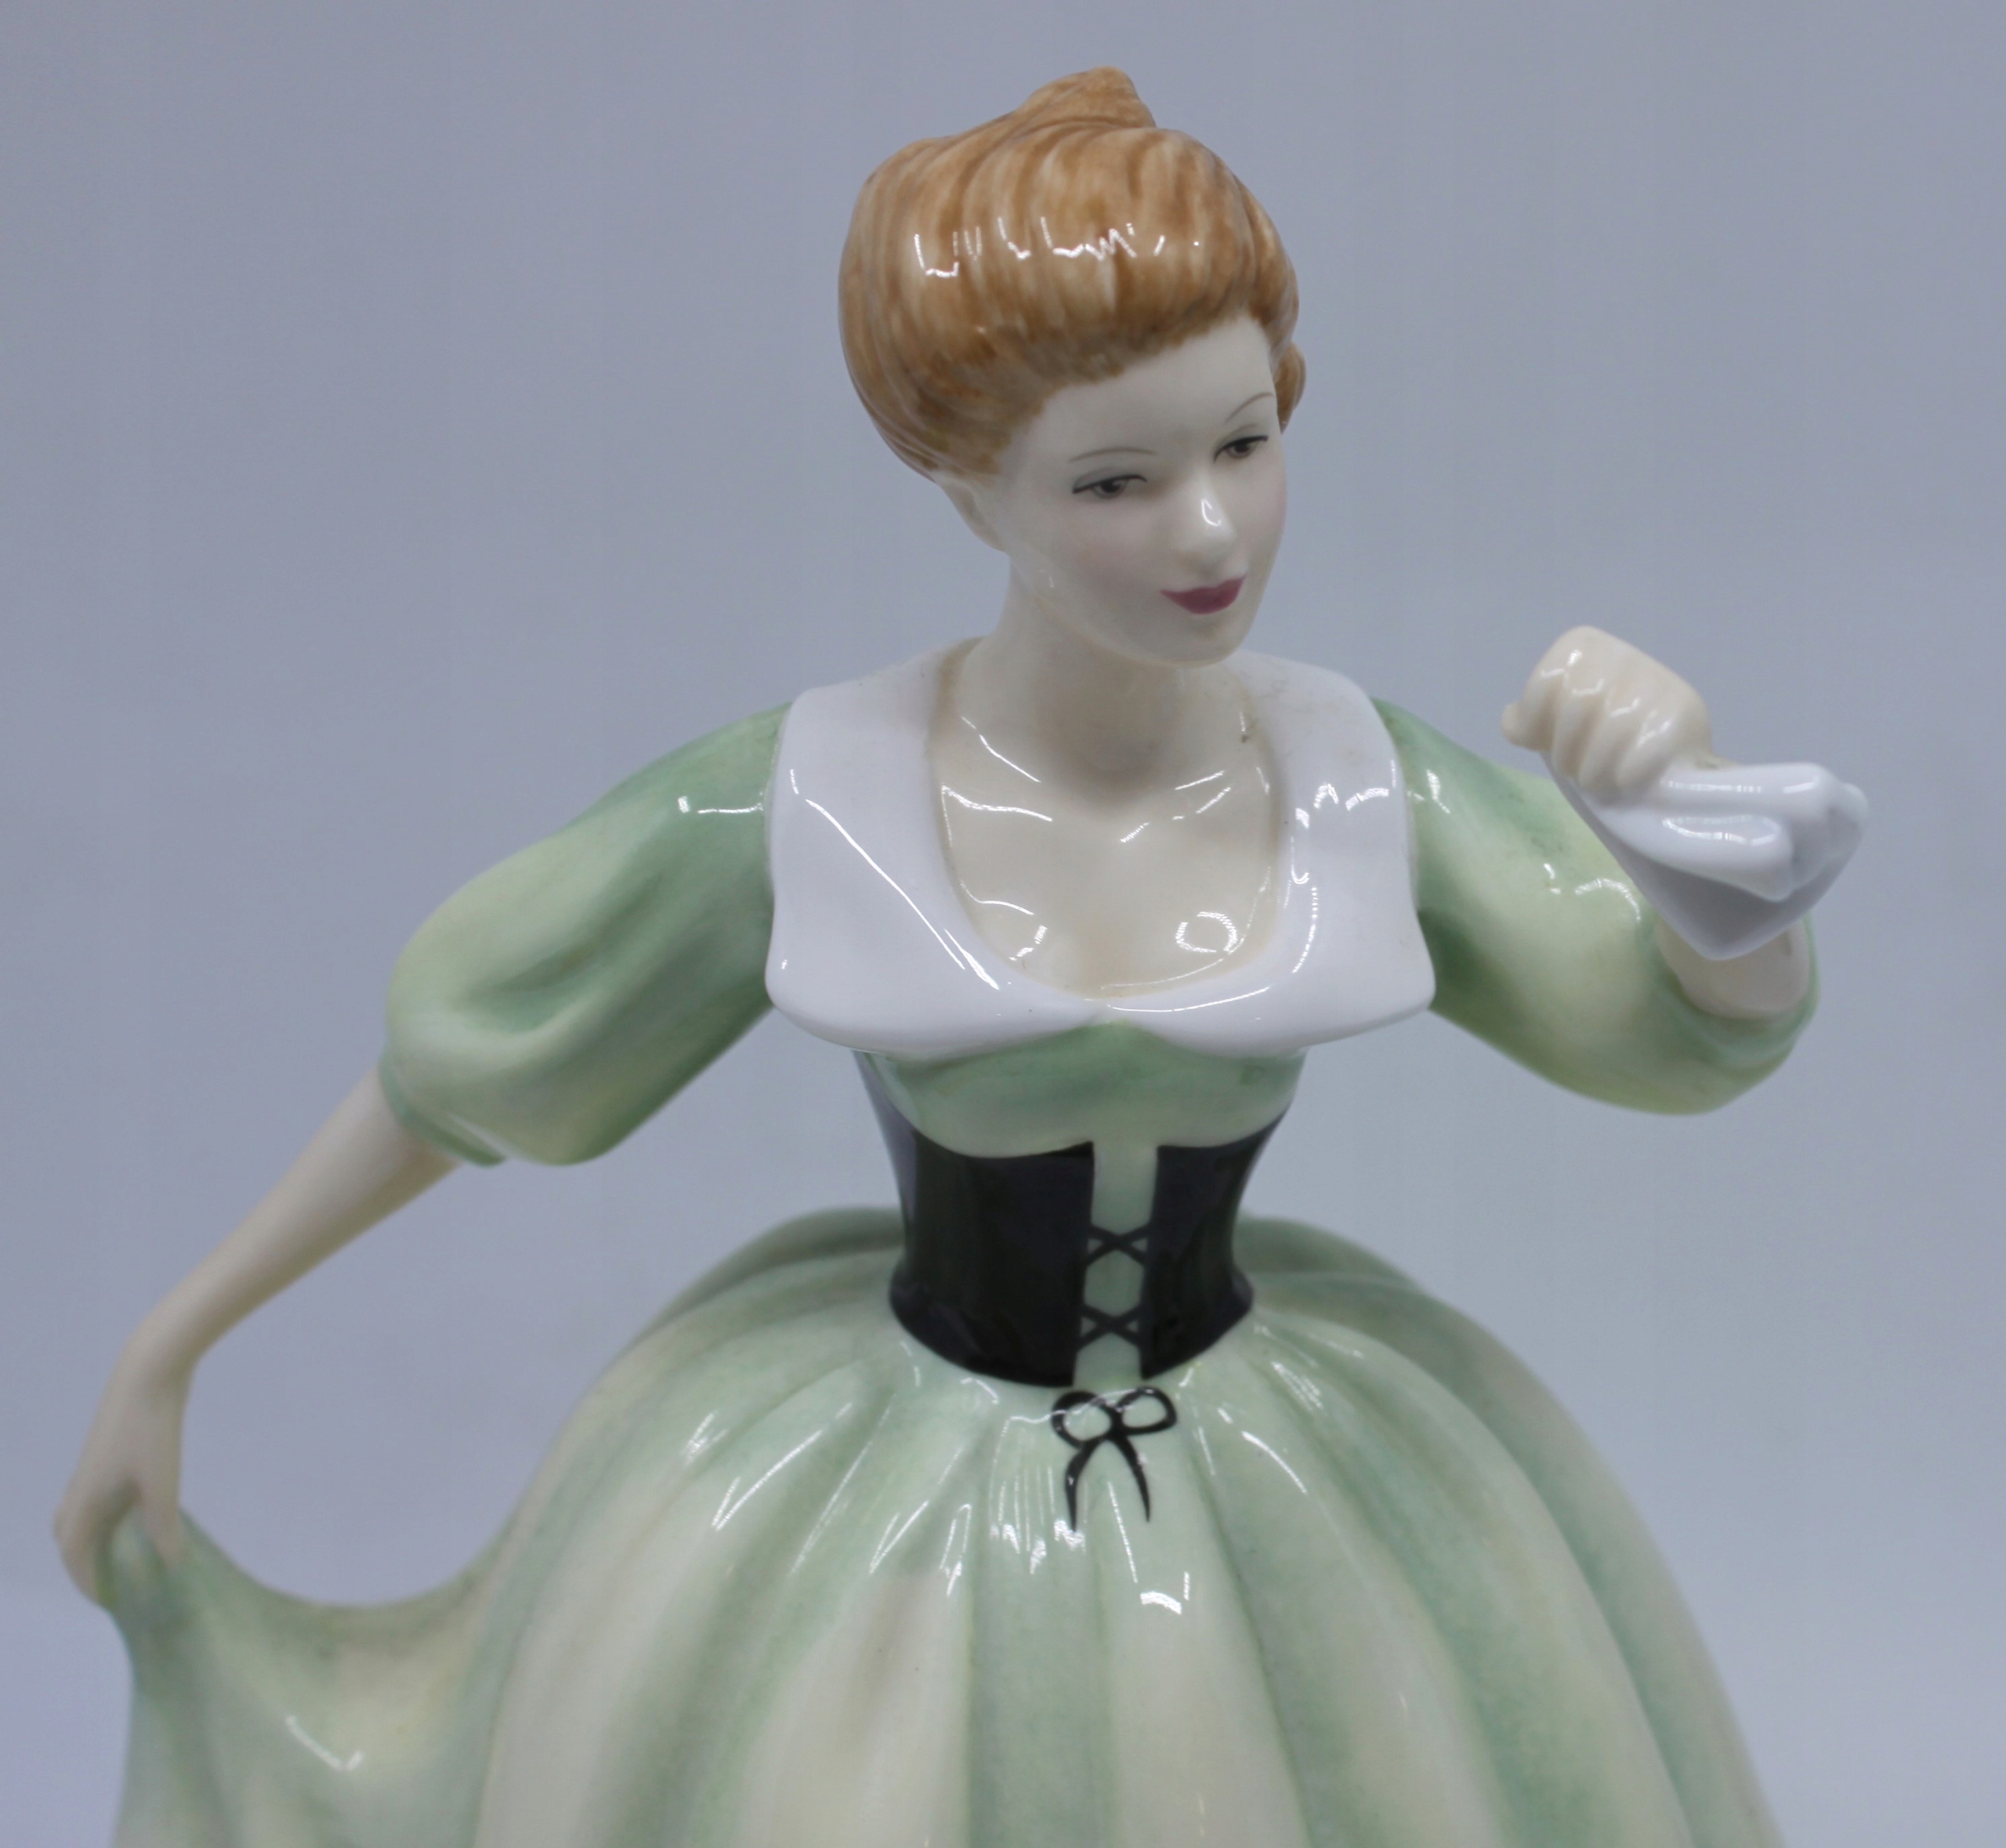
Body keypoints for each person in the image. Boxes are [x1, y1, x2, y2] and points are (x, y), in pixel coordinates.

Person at [56, 68, 1855, 1848]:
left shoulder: (1348, 776)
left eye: (1243, 444)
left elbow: (1683, 1035)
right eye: (1115, 479)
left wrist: (1700, 861)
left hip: (1280, 1467)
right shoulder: (808, 796)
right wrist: (175, 1338)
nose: (1208, 529)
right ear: (968, 487)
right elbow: (467, 1067)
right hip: (885, 1503)